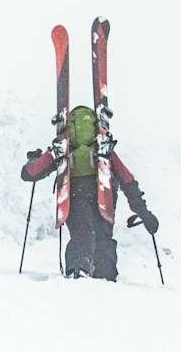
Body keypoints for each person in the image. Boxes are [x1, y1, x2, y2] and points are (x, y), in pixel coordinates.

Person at [21, 106, 158, 281]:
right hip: (103, 192)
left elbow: (28, 174)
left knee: (82, 231)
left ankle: (78, 270)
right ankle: (106, 276)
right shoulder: (103, 149)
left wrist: (33, 160)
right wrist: (144, 214)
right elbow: (127, 180)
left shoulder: (62, 148)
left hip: (74, 194)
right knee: (103, 236)